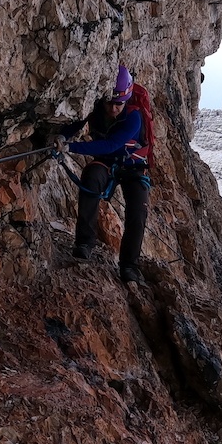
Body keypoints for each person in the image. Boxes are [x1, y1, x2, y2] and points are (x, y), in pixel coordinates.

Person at [55, 65, 150, 284]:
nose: (114, 109)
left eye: (119, 104)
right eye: (110, 103)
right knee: (91, 177)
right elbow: (78, 122)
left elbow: (110, 145)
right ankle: (84, 243)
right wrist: (62, 136)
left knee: (137, 212)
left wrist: (70, 148)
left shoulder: (134, 118)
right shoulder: (97, 108)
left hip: (133, 166)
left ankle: (129, 266)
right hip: (109, 163)